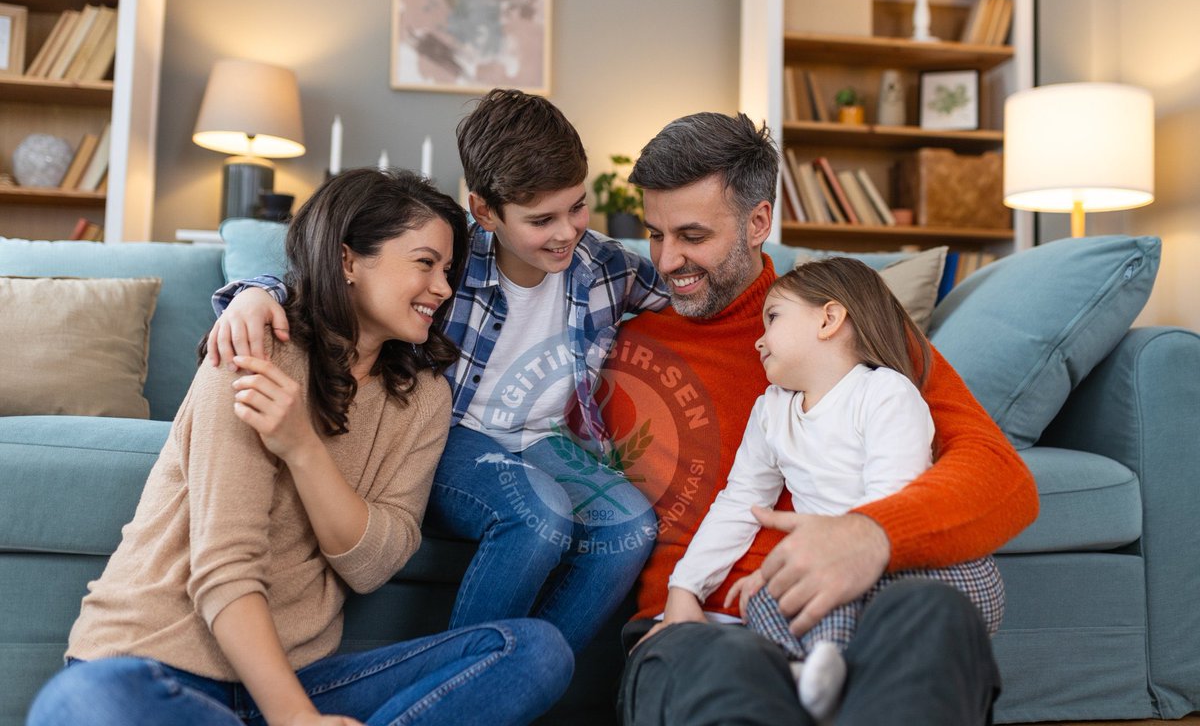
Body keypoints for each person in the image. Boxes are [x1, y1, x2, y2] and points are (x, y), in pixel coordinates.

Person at [27, 169, 573, 726]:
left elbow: (373, 564)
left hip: (303, 683)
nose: (443, 288)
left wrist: (303, 448)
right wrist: (294, 719)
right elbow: (224, 566)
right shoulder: (253, 345)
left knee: (534, 651)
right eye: (425, 263)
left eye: (449, 270)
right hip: (158, 668)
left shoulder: (425, 397)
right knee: (84, 701)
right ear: (348, 261)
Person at [606, 112, 1039, 725]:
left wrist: (868, 535)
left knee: (937, 617)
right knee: (717, 671)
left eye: (693, 235)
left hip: (861, 607)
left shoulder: (842, 329)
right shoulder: (619, 336)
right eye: (654, 234)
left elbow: (1002, 478)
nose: (667, 259)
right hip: (698, 624)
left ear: (759, 222)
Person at [205, 89, 667, 655]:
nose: (567, 232)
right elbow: (334, 277)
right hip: (454, 437)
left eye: (576, 206)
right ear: (485, 211)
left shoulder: (605, 265)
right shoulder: (448, 264)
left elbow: (688, 295)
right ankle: (458, 679)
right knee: (537, 514)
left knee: (629, 528)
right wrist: (256, 293)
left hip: (549, 441)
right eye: (541, 219)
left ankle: (521, 686)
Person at [662, 257, 1005, 722]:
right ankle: (817, 669)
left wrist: (822, 552)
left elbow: (892, 496)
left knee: (934, 595)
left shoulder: (885, 393)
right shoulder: (771, 411)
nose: (758, 339)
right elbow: (742, 502)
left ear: (829, 319)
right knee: (761, 596)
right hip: (832, 574)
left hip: (905, 561)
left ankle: (832, 666)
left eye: (774, 318)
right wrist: (685, 585)